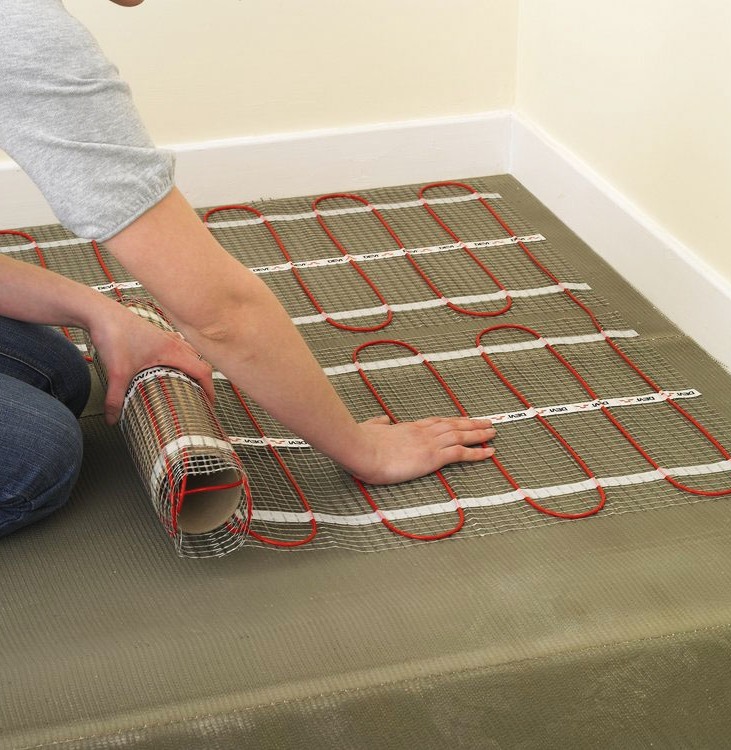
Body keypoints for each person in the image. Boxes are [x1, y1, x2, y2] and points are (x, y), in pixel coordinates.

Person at [0, 0, 496, 538]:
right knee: (40, 459)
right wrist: (364, 450)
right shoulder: (24, 35)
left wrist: (97, 312)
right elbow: (219, 312)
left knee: (58, 376)